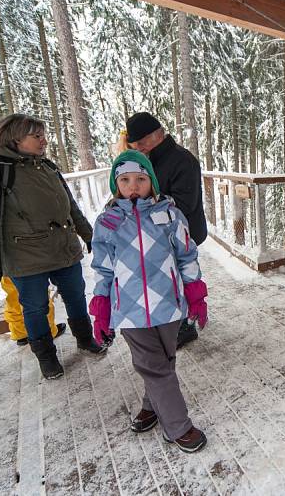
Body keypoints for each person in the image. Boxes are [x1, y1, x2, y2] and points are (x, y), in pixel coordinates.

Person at [89, 150, 208, 452]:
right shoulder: (108, 222)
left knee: (164, 362)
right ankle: (178, 425)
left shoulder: (169, 214)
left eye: (141, 179)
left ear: (151, 182)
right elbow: (102, 268)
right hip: (129, 311)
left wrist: (196, 294)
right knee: (154, 366)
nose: (133, 186)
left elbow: (186, 255)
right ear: (116, 185)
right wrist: (101, 307)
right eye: (125, 179)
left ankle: (152, 405)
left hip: (168, 305)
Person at [0, 114, 106, 380]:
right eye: (37, 136)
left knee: (77, 295)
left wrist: (89, 235)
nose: (44, 140)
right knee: (35, 308)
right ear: (16, 138)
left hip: (63, 249)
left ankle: (85, 338)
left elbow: (69, 206)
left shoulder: (46, 165)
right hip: (25, 256)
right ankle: (47, 358)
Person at [0, 140, 65, 346]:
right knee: (37, 295)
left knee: (13, 296)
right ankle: (49, 330)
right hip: (20, 250)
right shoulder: (2, 176)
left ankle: (19, 333)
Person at [124, 112, 206, 348]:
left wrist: (145, 207)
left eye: (142, 141)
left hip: (183, 234)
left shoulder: (183, 160)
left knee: (183, 277)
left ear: (159, 133)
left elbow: (184, 204)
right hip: (160, 236)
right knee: (168, 280)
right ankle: (175, 321)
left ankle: (186, 324)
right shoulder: (148, 160)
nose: (138, 147)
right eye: (135, 143)